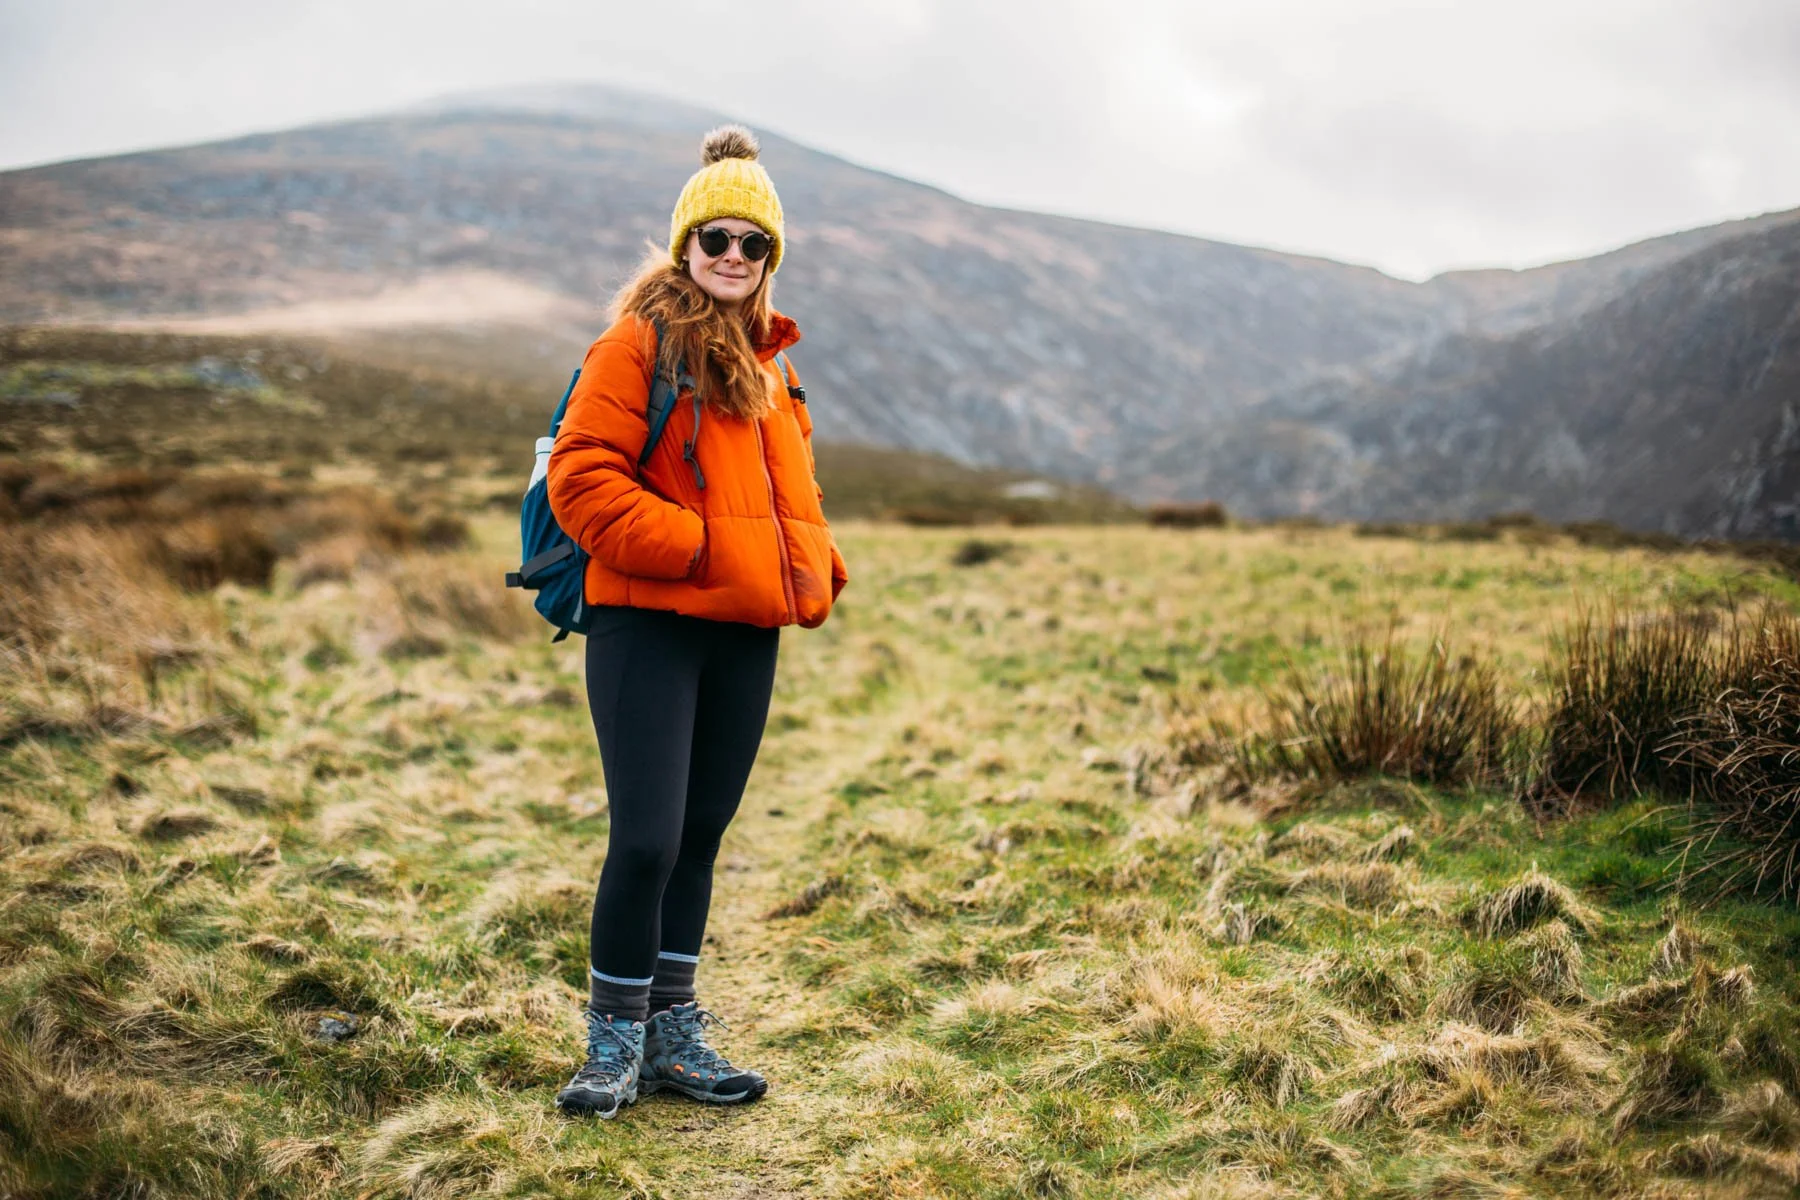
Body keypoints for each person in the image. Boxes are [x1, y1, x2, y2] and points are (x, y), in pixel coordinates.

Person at [544, 124, 848, 1119]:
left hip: (742, 633)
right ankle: (612, 1044)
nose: (732, 255)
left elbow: (786, 497)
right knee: (645, 840)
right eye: (714, 237)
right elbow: (581, 483)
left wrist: (815, 569)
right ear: (686, 246)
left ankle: (674, 1034)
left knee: (703, 834)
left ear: (770, 259)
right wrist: (706, 552)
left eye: (752, 244)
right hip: (649, 626)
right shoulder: (636, 343)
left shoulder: (774, 368)